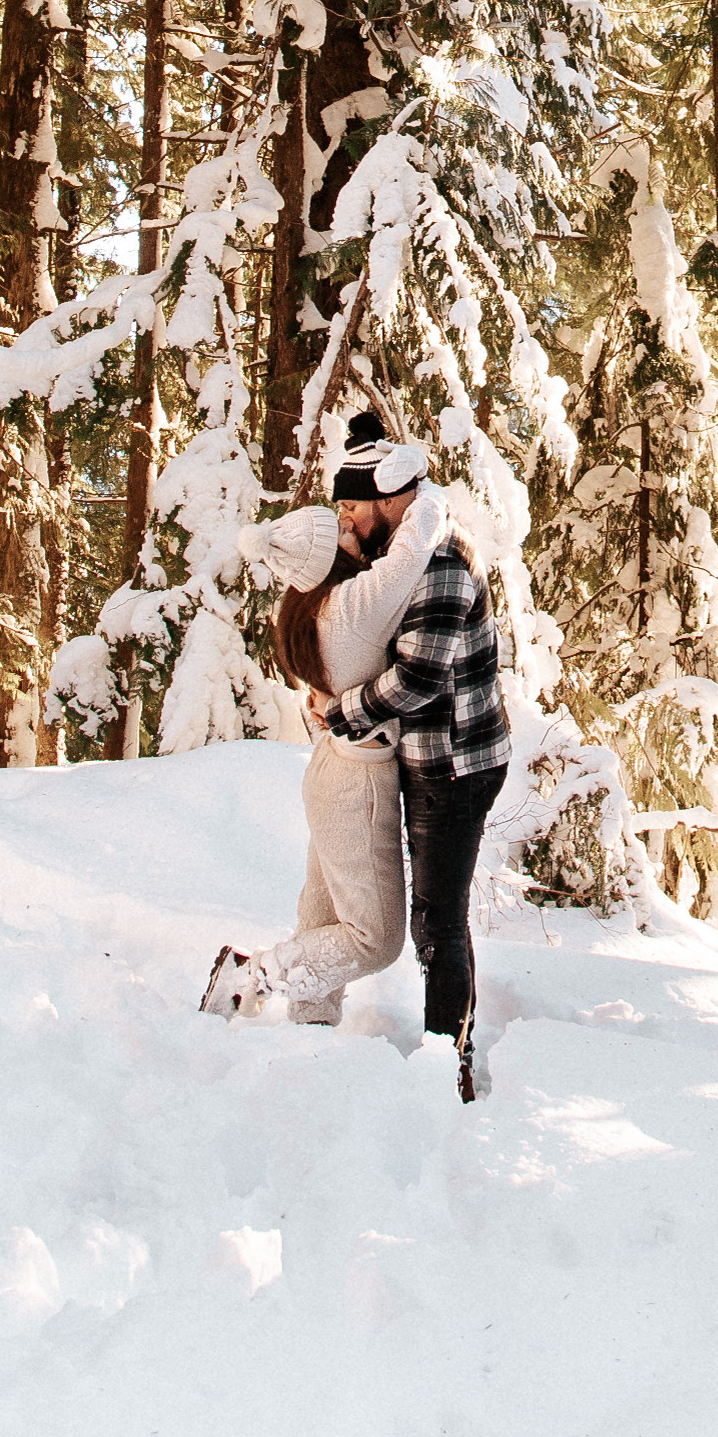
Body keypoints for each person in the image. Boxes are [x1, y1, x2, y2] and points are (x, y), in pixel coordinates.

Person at [199, 451, 444, 1026]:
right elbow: (414, 548)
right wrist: (423, 490)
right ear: (332, 558)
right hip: (357, 782)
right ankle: (250, 977)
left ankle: (310, 1032)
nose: (349, 525)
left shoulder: (306, 609)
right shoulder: (355, 605)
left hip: (332, 770)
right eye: (339, 530)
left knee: (323, 919)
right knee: (374, 939)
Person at [315, 439, 510, 1102]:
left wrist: (339, 712)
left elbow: (420, 678)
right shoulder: (400, 552)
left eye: (353, 505)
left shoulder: (442, 560)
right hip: (426, 758)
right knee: (433, 917)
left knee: (437, 921)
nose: (345, 517)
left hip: (454, 765)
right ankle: (445, 1049)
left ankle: (449, 1063)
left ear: (392, 499)